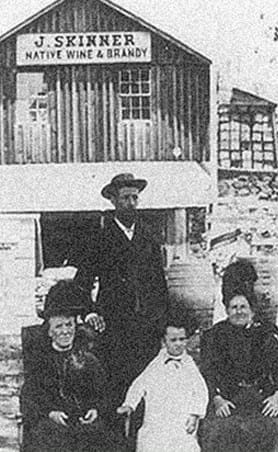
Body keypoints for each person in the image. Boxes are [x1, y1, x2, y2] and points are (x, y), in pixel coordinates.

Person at [73, 173, 169, 408]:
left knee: (147, 385)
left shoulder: (149, 237)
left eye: (135, 198)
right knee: (116, 385)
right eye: (125, 198)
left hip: (147, 326)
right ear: (113, 201)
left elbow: (159, 284)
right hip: (114, 325)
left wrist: (164, 321)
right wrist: (90, 313)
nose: (131, 203)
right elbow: (82, 282)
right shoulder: (99, 238)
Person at [200, 260, 278, 452]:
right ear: (227, 310)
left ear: (252, 310)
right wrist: (216, 398)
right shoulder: (213, 336)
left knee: (275, 428)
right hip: (228, 397)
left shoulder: (264, 335)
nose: (239, 312)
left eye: (243, 307)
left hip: (261, 396)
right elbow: (207, 373)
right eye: (234, 307)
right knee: (219, 430)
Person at [20, 280, 123, 452]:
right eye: (58, 326)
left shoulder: (88, 360)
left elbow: (104, 392)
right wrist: (50, 413)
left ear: (76, 327)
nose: (65, 331)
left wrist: (95, 410)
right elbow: (29, 397)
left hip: (85, 425)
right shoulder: (41, 362)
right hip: (52, 425)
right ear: (49, 331)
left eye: (69, 325)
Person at [117, 308, 208, 452]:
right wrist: (129, 404)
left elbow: (201, 391)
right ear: (164, 341)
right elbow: (140, 385)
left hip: (181, 423)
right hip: (156, 422)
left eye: (182, 339)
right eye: (173, 340)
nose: (178, 344)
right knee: (150, 443)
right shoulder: (156, 364)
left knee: (185, 445)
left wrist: (195, 414)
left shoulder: (189, 365)